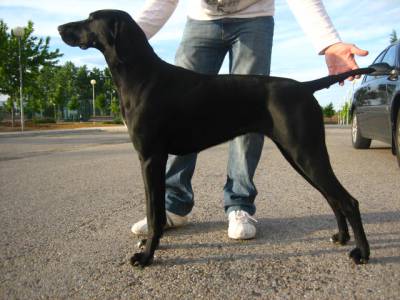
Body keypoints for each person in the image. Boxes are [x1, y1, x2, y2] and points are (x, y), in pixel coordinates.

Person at [131, 0, 368, 240]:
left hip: (255, 17)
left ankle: (239, 205)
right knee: (175, 115)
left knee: (252, 114)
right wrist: (126, 37)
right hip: (201, 18)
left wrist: (329, 42)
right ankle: (171, 205)